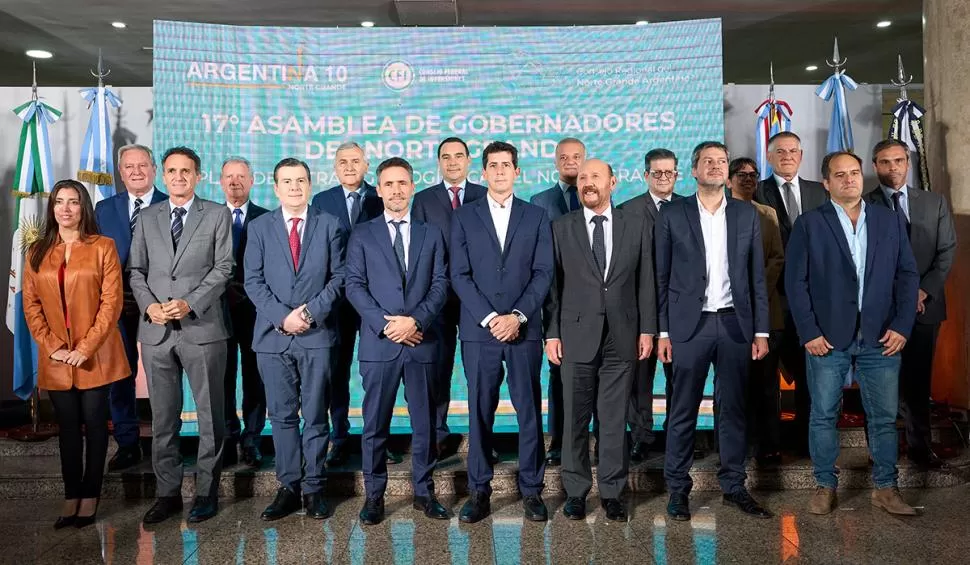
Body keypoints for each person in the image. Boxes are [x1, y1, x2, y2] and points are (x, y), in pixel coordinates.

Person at [785, 151, 920, 515]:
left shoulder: (889, 221)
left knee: (883, 416)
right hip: (826, 337)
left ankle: (886, 489)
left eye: (854, 173)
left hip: (882, 337)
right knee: (824, 414)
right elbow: (795, 282)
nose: (849, 179)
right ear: (826, 183)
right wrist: (809, 331)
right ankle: (825, 485)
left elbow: (907, 275)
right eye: (839, 174)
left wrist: (902, 326)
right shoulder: (810, 224)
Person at [656, 141, 771, 521]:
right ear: (693, 171)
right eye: (708, 161)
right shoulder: (673, 214)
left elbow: (756, 277)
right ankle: (677, 489)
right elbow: (659, 278)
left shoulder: (745, 214)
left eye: (721, 161)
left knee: (733, 408)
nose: (716, 166)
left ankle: (734, 485)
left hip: (736, 324)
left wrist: (762, 332)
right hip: (690, 326)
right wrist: (661, 333)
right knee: (683, 409)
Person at [543, 159, 656, 521]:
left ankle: (612, 492)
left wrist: (647, 329)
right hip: (575, 336)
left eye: (595, 177)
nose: (588, 182)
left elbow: (646, 282)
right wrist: (552, 333)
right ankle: (575, 491)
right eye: (583, 178)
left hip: (622, 337)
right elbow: (553, 288)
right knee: (574, 419)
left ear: (613, 181)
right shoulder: (561, 227)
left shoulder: (636, 225)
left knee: (612, 420)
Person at [130, 146, 234, 525]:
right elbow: (136, 271)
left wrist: (190, 302)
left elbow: (224, 268)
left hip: (202, 329)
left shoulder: (218, 215)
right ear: (163, 175)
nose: (178, 177)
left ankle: (207, 493)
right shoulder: (147, 217)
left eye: (185, 171)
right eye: (172, 171)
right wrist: (149, 306)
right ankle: (167, 493)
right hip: (156, 331)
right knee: (163, 418)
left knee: (210, 417)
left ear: (198, 176)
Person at [450, 141, 554, 523]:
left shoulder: (536, 216)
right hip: (480, 332)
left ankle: (532, 490)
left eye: (506, 165)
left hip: (523, 330)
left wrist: (518, 316)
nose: (498, 172)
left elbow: (544, 272)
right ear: (483, 172)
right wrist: (492, 317)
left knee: (529, 411)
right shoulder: (463, 217)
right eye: (492, 165)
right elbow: (459, 274)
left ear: (517, 172)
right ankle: (479, 491)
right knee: (479, 412)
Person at [346, 157, 450, 525]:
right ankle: (374, 495)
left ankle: (424, 492)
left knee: (425, 424)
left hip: (421, 341)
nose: (395, 190)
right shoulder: (362, 233)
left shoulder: (431, 232)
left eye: (402, 183)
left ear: (412, 187)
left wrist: (416, 320)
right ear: (379, 189)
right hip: (380, 344)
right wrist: (386, 325)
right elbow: (353, 285)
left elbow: (441, 283)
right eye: (388, 184)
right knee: (375, 424)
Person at [23, 179, 129, 529]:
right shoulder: (36, 252)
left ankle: (90, 497)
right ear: (52, 208)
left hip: (95, 355)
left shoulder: (103, 247)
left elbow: (111, 304)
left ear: (84, 207)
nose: (65, 209)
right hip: (55, 359)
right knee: (67, 429)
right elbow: (31, 305)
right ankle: (71, 496)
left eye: (73, 202)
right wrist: (54, 347)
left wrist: (83, 348)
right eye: (59, 202)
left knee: (96, 426)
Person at [246, 158, 346, 522]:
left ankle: (315, 488)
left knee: (317, 415)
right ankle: (289, 486)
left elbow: (339, 278)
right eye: (286, 181)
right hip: (272, 339)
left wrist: (306, 314)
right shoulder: (259, 228)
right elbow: (252, 281)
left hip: (316, 336)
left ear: (310, 184)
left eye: (300, 180)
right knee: (283, 417)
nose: (294, 187)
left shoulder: (329, 225)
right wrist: (282, 317)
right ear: (275, 188)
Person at [864, 140, 957, 469]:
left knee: (918, 382)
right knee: (879, 384)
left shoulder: (934, 203)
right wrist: (899, 297)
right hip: (880, 311)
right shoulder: (863, 204)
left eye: (899, 160)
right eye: (886, 162)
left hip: (925, 306)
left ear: (908, 163)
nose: (893, 168)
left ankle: (920, 449)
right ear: (875, 166)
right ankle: (879, 453)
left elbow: (947, 252)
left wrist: (920, 292)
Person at [412, 137, 487, 459]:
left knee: (480, 374)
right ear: (438, 162)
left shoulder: (485, 196)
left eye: (459, 156)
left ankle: (482, 443)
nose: (453, 162)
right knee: (436, 370)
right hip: (437, 299)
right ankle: (437, 436)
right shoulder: (424, 200)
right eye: (446, 157)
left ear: (469, 161)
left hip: (477, 300)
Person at [95, 144, 168, 471]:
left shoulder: (172, 203)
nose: (136, 171)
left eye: (142, 165)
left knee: (165, 373)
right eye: (129, 166)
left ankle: (169, 441)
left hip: (163, 304)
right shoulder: (103, 210)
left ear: (154, 169)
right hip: (116, 305)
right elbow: (94, 258)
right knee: (120, 375)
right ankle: (127, 443)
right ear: (120, 172)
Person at [754, 131, 828, 453]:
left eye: (793, 150)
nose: (787, 156)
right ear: (769, 157)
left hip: (812, 302)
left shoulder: (820, 192)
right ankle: (770, 446)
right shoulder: (754, 192)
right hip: (771, 300)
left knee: (810, 378)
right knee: (766, 381)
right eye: (779, 151)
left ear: (801, 155)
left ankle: (805, 443)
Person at [311, 141, 383, 466]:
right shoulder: (322, 201)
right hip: (336, 302)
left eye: (356, 161)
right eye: (343, 162)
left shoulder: (382, 198)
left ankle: (377, 438)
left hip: (374, 300)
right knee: (335, 373)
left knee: (376, 373)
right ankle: (339, 437)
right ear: (335, 167)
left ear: (366, 165)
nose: (350, 167)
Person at [618, 147, 683, 461]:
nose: (663, 177)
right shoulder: (627, 211)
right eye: (656, 172)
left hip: (681, 308)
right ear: (645, 176)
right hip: (640, 308)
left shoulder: (690, 207)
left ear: (677, 174)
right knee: (639, 379)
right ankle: (641, 437)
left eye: (668, 172)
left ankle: (676, 436)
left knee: (680, 377)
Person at [529, 137, 586, 467]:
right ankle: (558, 442)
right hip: (555, 301)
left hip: (595, 301)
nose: (570, 161)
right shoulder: (541, 201)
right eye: (564, 156)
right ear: (555, 160)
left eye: (576, 156)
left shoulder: (597, 193)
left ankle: (592, 439)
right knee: (558, 374)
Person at [727, 157, 786, 464]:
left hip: (767, 313)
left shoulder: (768, 214)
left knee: (766, 385)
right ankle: (739, 446)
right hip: (729, 316)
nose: (748, 179)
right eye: (741, 174)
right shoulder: (717, 213)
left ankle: (769, 446)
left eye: (753, 175)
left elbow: (777, 258)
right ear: (728, 179)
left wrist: (753, 289)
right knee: (736, 386)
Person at [219, 156, 269, 468]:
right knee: (222, 377)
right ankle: (226, 437)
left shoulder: (267, 218)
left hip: (257, 311)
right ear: (220, 182)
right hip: (219, 310)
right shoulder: (207, 217)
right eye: (229, 177)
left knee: (255, 377)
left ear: (252, 181)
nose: (235, 181)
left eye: (241, 176)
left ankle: (252, 438)